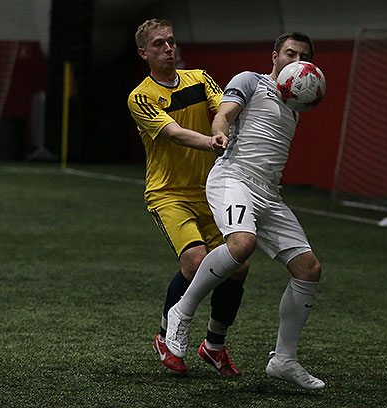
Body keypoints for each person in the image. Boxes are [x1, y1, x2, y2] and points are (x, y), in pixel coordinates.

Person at [165, 32, 326, 390]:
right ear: (274, 56)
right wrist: (219, 132)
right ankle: (182, 312)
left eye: (303, 57)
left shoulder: (298, 97)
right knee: (242, 244)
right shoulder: (251, 81)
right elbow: (224, 114)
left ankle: (284, 359)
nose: (296, 61)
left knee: (309, 269)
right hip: (233, 177)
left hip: (269, 193)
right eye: (290, 53)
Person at [127, 18, 248, 376]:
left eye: (171, 41)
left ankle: (214, 346)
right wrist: (212, 141)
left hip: (208, 189)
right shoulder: (141, 96)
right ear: (143, 53)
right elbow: (175, 133)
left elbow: (224, 106)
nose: (168, 48)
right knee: (196, 262)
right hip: (169, 194)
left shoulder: (199, 77)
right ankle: (166, 337)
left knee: (239, 266)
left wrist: (226, 122)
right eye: (159, 44)